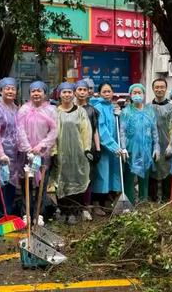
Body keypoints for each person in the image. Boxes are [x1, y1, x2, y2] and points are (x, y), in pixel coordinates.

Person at [17, 81, 57, 225]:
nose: (36, 93)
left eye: (39, 91)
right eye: (33, 91)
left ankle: (39, 213)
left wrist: (42, 145)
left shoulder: (51, 110)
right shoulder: (23, 109)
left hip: (43, 153)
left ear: (45, 94)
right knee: (25, 183)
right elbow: (19, 130)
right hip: (26, 153)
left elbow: (54, 131)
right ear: (30, 94)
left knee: (42, 183)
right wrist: (28, 148)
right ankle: (26, 213)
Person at [53, 82, 92, 225]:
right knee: (61, 181)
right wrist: (54, 152)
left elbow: (86, 131)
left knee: (77, 180)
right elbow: (52, 133)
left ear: (73, 93)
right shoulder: (55, 112)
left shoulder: (81, 112)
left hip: (78, 154)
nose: (67, 94)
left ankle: (75, 211)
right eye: (64, 92)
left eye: (70, 92)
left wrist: (86, 149)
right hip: (61, 154)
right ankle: (63, 210)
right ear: (59, 94)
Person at [120, 83, 160, 204]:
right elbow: (122, 131)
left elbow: (154, 131)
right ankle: (129, 204)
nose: (137, 95)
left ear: (143, 94)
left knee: (144, 178)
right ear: (130, 95)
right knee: (129, 178)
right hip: (131, 149)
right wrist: (123, 148)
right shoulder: (126, 111)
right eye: (134, 93)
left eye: (139, 93)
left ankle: (143, 203)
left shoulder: (150, 111)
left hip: (146, 150)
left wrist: (156, 147)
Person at [0, 77, 20, 218]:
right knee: (0, 185)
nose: (10, 91)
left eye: (13, 88)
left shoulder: (17, 109)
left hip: (16, 154)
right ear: (0, 91)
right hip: (2, 154)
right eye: (7, 88)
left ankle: (9, 214)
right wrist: (1, 153)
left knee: (12, 185)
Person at [92, 82, 124, 216]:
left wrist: (119, 115)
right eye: (104, 91)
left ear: (112, 93)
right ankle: (96, 204)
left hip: (114, 149)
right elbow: (102, 130)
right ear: (99, 93)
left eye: (109, 91)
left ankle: (107, 203)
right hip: (105, 149)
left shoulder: (112, 107)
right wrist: (114, 146)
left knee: (111, 175)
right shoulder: (98, 107)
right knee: (101, 176)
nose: (106, 94)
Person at [74, 79, 101, 221]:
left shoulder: (92, 111)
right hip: (72, 149)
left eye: (85, 90)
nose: (82, 92)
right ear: (75, 91)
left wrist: (97, 149)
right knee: (74, 178)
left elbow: (96, 131)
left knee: (87, 178)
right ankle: (74, 207)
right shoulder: (69, 108)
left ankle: (86, 207)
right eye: (80, 89)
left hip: (88, 149)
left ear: (88, 92)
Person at [150, 78, 172, 202]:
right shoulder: (147, 107)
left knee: (167, 170)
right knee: (152, 171)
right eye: (157, 87)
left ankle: (167, 200)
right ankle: (152, 199)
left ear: (166, 89)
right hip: (151, 145)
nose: (159, 89)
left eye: (162, 87)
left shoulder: (171, 108)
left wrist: (170, 145)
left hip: (166, 143)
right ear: (153, 89)